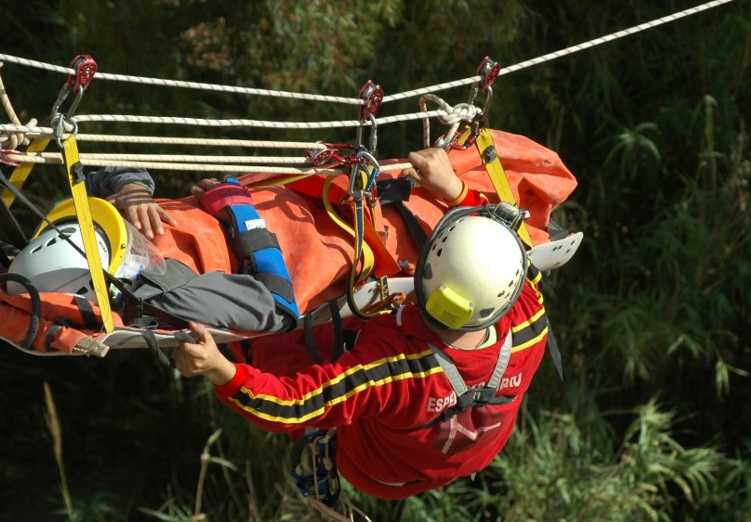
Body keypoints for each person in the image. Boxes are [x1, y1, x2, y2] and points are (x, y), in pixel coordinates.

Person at [170, 147, 554, 500]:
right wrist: (454, 189)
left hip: (377, 469)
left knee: (276, 343)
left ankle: (250, 246)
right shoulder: (527, 318)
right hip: (465, 454)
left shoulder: (391, 368)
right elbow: (515, 248)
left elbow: (291, 404)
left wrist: (220, 369)